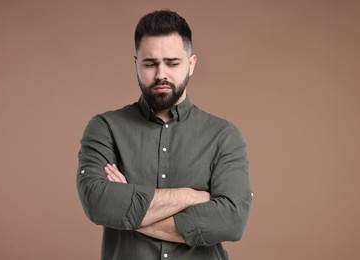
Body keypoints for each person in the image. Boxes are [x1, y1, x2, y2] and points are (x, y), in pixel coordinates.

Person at [76, 10, 253, 260]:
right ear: (136, 63)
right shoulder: (105, 128)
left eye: (172, 63)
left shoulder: (224, 135)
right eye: (150, 63)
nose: (161, 74)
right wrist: (191, 196)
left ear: (191, 64)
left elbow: (231, 222)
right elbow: (98, 202)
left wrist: (128, 208)